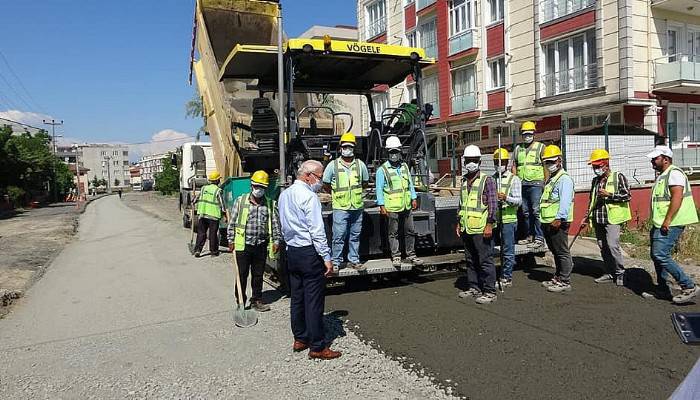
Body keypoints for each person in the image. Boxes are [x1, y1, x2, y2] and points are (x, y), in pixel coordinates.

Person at [278, 160, 341, 360]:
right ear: (308, 176)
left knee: (297, 298)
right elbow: (317, 230)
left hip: (292, 251)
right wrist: (327, 257)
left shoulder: (284, 195)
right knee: (314, 301)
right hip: (308, 252)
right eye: (319, 177)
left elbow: (282, 224)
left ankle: (300, 338)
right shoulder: (309, 197)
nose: (320, 182)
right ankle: (317, 346)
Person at [643, 145, 699, 304]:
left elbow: (677, 198)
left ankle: (688, 286)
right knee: (656, 255)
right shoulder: (663, 175)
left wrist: (667, 221)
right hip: (661, 223)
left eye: (655, 158)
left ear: (665, 159)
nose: (652, 161)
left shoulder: (674, 174)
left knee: (660, 254)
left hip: (671, 223)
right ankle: (663, 289)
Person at [227, 170, 280, 312]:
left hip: (260, 245)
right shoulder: (241, 201)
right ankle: (240, 300)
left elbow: (274, 223)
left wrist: (276, 241)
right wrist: (230, 240)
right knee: (242, 274)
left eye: (262, 187)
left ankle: (256, 299)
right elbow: (232, 222)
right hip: (243, 245)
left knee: (258, 275)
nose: (259, 190)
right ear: (251, 186)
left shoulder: (269, 204)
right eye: (257, 186)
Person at [456, 145, 499, 304]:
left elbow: (493, 205)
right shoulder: (463, 181)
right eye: (468, 160)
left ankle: (489, 291)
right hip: (467, 227)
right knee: (470, 259)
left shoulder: (487, 180)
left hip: (481, 228)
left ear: (479, 162)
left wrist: (489, 224)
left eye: (474, 160)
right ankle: (474, 287)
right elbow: (461, 204)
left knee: (485, 260)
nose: (471, 163)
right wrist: (459, 222)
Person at [583, 149, 632, 286]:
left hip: (613, 218)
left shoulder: (618, 177)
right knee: (602, 246)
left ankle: (620, 272)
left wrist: (609, 195)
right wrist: (587, 216)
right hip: (598, 218)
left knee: (612, 245)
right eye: (594, 166)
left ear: (606, 164)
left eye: (598, 166)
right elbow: (591, 199)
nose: (596, 169)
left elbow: (627, 196)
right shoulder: (595, 181)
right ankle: (610, 272)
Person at [322, 133, 369, 271]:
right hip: (340, 207)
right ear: (340, 148)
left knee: (355, 236)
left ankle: (354, 260)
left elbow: (364, 183)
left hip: (357, 206)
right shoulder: (333, 165)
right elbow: (326, 184)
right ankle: (336, 262)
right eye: (345, 146)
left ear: (354, 148)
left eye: (350, 146)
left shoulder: (360, 165)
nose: (347, 148)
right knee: (339, 236)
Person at [375, 135, 423, 268]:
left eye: (396, 151)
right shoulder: (382, 170)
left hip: (406, 205)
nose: (394, 154)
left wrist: (413, 197)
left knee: (410, 231)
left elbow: (410, 184)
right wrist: (381, 205)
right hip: (392, 206)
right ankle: (396, 256)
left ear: (400, 151)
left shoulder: (404, 167)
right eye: (391, 152)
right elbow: (379, 189)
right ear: (387, 153)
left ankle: (411, 254)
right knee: (393, 233)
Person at [539, 145, 575, 293]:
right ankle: (558, 277)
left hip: (558, 221)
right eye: (547, 162)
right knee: (555, 251)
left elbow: (565, 201)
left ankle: (565, 280)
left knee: (561, 251)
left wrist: (559, 218)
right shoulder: (552, 179)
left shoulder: (563, 179)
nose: (549, 165)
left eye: (552, 161)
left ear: (559, 160)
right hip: (548, 220)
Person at [513, 121, 547, 248]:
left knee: (536, 211)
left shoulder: (540, 147)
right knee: (525, 212)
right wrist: (516, 180)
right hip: (522, 184)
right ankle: (529, 236)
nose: (527, 136)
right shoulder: (518, 149)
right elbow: (515, 165)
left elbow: (545, 166)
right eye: (525, 134)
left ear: (534, 133)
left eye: (529, 133)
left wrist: (545, 182)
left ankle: (539, 238)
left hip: (536, 184)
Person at [493, 148, 522, 287]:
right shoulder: (492, 179)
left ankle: (507, 277)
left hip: (509, 220)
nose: (499, 165)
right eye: (496, 162)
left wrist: (505, 198)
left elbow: (518, 201)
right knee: (491, 249)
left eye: (502, 162)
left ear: (507, 163)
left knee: (507, 250)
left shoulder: (514, 179)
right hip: (495, 220)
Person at [192, 171, 226, 258]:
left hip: (202, 214)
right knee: (213, 234)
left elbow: (196, 199)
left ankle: (198, 250)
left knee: (201, 233)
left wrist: (193, 201)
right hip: (213, 216)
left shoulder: (204, 188)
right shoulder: (218, 190)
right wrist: (225, 213)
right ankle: (213, 251)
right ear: (217, 180)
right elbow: (222, 204)